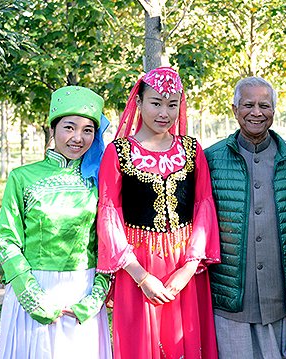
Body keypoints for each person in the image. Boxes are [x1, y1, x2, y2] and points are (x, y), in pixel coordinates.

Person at [96, 66, 220, 359]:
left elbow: (204, 207)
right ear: (138, 103)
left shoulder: (191, 150)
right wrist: (141, 276)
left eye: (172, 104)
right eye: (156, 103)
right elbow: (108, 215)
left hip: (185, 266)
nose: (164, 112)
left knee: (185, 342)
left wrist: (189, 269)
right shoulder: (118, 152)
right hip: (137, 266)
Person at [0, 86, 112, 358]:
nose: (78, 138)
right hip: (33, 288)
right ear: (52, 129)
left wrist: (96, 296)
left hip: (83, 292)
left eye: (87, 130)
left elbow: (108, 242)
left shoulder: (99, 181)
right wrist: (31, 295)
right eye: (69, 127)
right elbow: (6, 239)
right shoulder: (22, 177)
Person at [205, 77, 286, 358]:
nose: (256, 112)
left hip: (280, 298)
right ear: (235, 109)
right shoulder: (210, 159)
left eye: (264, 105)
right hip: (231, 299)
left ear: (274, 110)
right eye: (248, 105)